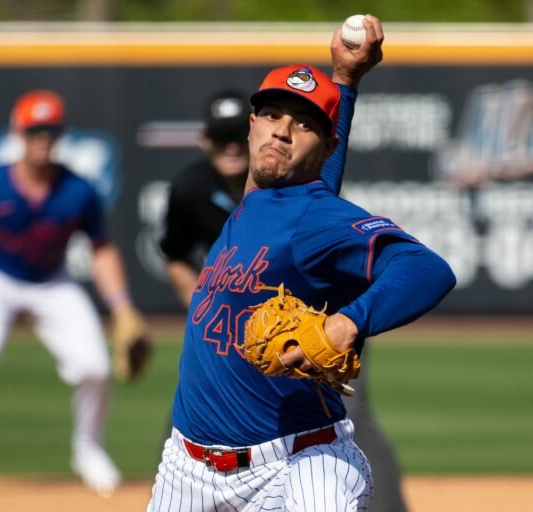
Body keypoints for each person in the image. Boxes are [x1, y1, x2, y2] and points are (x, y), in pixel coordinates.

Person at [148, 17, 456, 512]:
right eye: (273, 115)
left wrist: (347, 323)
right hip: (186, 472)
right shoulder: (260, 200)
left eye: (305, 124)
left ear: (325, 145)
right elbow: (314, 169)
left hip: (299, 462)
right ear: (252, 124)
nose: (283, 132)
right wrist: (345, 79)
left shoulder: (314, 213)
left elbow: (427, 267)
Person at [0, 89, 146, 496]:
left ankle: (89, 450)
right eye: (34, 131)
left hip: (51, 281)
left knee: (96, 368)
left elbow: (101, 249)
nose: (43, 138)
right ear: (19, 134)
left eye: (50, 131)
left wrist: (122, 306)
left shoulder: (78, 190)